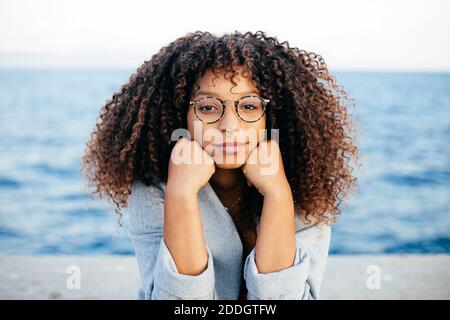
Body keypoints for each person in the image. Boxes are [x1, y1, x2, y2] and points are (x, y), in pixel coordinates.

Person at [81, 31, 359, 300]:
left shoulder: (307, 186)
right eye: (208, 107)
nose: (229, 127)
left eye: (249, 106)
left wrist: (279, 196)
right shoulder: (153, 190)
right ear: (181, 115)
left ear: (272, 116)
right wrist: (180, 196)